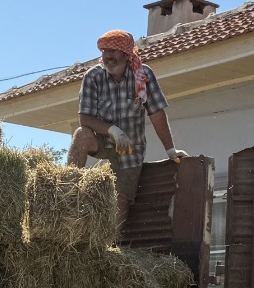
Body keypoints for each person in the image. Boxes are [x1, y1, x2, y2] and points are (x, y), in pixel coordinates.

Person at [69, 29, 187, 223]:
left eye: (113, 51)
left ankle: (113, 246)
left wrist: (171, 150)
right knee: (81, 134)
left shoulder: (143, 74)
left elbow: (157, 114)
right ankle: (67, 188)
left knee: (121, 201)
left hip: (131, 148)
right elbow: (85, 119)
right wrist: (112, 130)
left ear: (126, 54)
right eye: (104, 51)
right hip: (102, 140)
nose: (108, 56)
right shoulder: (93, 77)